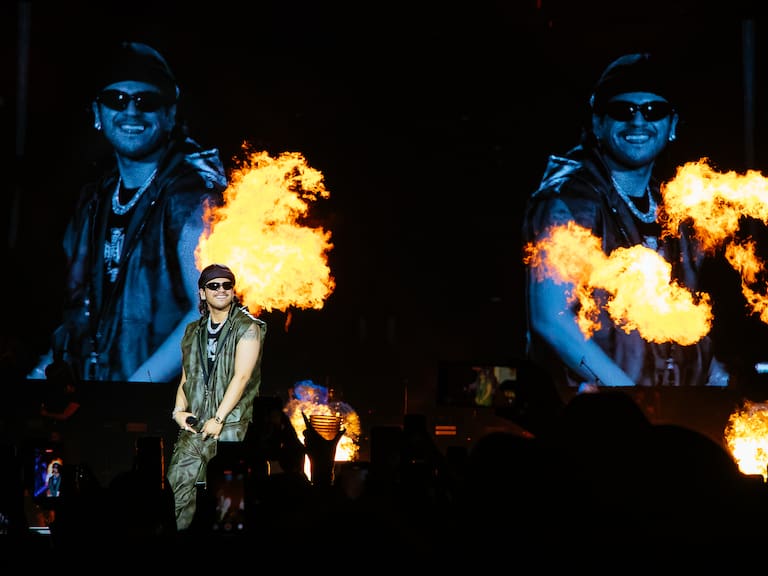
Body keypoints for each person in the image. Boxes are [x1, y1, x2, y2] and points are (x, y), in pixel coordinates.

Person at [522, 52, 730, 395]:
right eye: (622, 110)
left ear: (672, 125)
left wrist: (714, 378)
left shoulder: (671, 209)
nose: (638, 121)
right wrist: (629, 399)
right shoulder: (569, 200)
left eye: (653, 111)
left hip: (662, 417)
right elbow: (550, 319)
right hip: (593, 421)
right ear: (598, 123)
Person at [27, 41, 227, 383]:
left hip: (167, 408)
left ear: (170, 114)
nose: (131, 112)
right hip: (98, 398)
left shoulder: (191, 194)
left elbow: (212, 307)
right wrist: (40, 375)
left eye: (146, 101)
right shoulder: (96, 198)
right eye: (116, 100)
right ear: (97, 113)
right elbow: (78, 314)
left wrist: (137, 389)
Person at [166, 263, 267, 532]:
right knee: (175, 492)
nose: (221, 290)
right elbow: (187, 377)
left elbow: (242, 377)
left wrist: (219, 419)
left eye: (227, 285)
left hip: (231, 431)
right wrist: (178, 411)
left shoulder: (248, 328)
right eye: (214, 285)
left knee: (227, 506)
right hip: (196, 428)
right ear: (202, 293)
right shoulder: (192, 332)